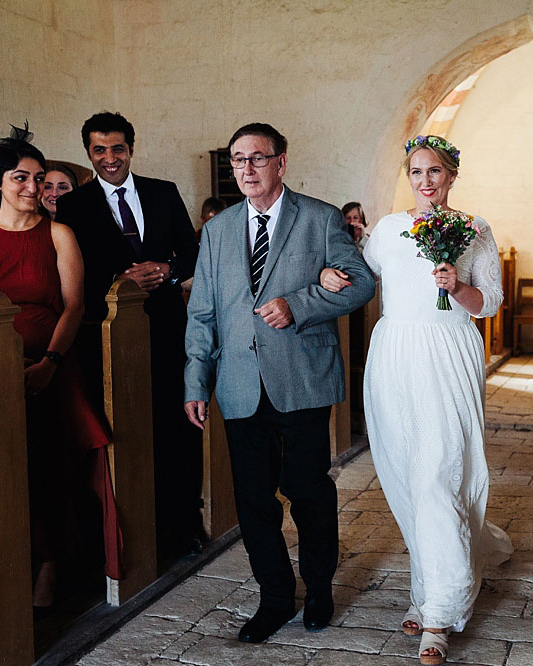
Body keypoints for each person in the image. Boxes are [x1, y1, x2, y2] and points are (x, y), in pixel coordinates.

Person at [322, 135, 512, 665]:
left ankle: (439, 616)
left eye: (435, 172)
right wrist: (327, 273)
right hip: (395, 354)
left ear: (451, 176)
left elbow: (488, 302)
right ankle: (425, 588)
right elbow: (362, 275)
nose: (425, 181)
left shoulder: (474, 230)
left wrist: (457, 286)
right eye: (416, 172)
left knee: (439, 474)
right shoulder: (388, 229)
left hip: (447, 353)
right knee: (405, 473)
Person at [184, 123, 374, 644]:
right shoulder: (218, 230)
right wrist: (195, 383)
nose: (246, 169)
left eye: (257, 159)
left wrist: (301, 304)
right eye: (237, 160)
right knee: (252, 499)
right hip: (239, 384)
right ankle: (274, 596)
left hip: (302, 378)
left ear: (281, 163)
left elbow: (361, 282)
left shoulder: (319, 218)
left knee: (308, 490)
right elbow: (202, 314)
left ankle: (318, 589)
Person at [0, 130, 122, 609]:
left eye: (38, 178)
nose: (32, 187)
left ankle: (53, 561)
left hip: (52, 363)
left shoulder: (59, 233)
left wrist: (50, 362)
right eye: (20, 177)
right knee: (1, 466)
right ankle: (4, 560)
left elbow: (74, 305)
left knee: (52, 464)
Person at [55, 111, 201, 558]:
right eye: (99, 150)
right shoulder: (74, 206)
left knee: (177, 428)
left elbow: (195, 253)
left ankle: (184, 525)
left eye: (117, 148)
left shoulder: (163, 192)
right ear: (89, 154)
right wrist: (121, 278)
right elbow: (74, 270)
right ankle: (131, 533)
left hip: (167, 328)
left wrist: (168, 270)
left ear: (131, 149)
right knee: (125, 429)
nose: (109, 158)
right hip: (108, 334)